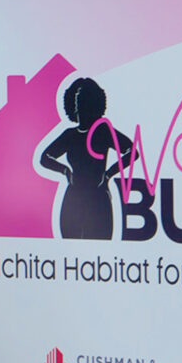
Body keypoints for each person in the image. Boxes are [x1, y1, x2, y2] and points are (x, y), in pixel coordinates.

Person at [39, 77, 135, 240]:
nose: (79, 109)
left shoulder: (103, 131)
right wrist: (65, 170)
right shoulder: (70, 135)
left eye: (83, 104)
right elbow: (44, 158)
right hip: (73, 198)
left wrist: (108, 174)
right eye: (77, 104)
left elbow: (131, 152)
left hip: (98, 198)